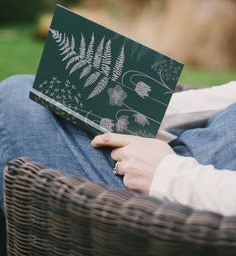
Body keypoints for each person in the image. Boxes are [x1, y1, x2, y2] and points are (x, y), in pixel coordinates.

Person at [0, 74, 236, 216]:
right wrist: (142, 114)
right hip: (186, 143)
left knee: (15, 98)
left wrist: (168, 175)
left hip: (179, 194)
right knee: (42, 87)